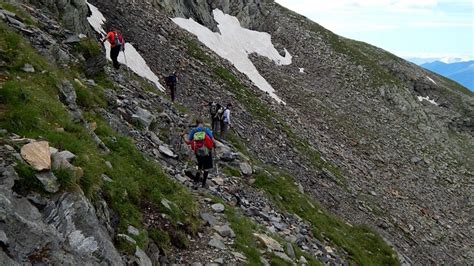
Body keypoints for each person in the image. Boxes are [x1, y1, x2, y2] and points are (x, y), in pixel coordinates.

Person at [182, 118, 215, 188]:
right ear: (202, 123)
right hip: (207, 151)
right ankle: (203, 184)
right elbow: (212, 139)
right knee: (206, 168)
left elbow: (188, 141)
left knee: (200, 166)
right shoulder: (206, 129)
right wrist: (214, 146)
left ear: (196, 123)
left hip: (198, 151)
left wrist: (183, 136)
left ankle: (196, 182)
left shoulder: (194, 130)